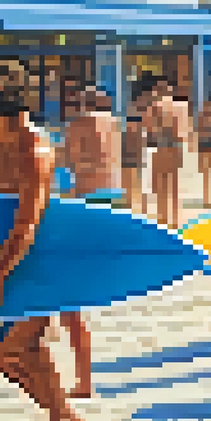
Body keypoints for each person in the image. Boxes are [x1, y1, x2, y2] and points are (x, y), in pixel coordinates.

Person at [0, 61, 81, 421]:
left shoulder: (35, 150)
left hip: (40, 262)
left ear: (5, 101)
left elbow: (27, 225)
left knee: (19, 349)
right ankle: (63, 416)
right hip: (10, 263)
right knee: (7, 360)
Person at [57, 86, 122, 400]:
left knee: (80, 253)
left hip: (87, 187)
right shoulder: (114, 122)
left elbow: (69, 159)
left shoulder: (78, 124)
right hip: (113, 187)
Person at [146, 76, 191, 227]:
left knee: (161, 186)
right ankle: (175, 219)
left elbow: (151, 128)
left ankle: (162, 217)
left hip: (161, 146)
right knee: (174, 185)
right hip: (176, 147)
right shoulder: (181, 107)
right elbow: (184, 131)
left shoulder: (155, 106)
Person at [121, 80, 149, 215]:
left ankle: (135, 208)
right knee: (134, 181)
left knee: (134, 182)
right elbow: (133, 130)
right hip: (133, 148)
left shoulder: (135, 109)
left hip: (134, 147)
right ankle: (136, 208)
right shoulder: (136, 110)